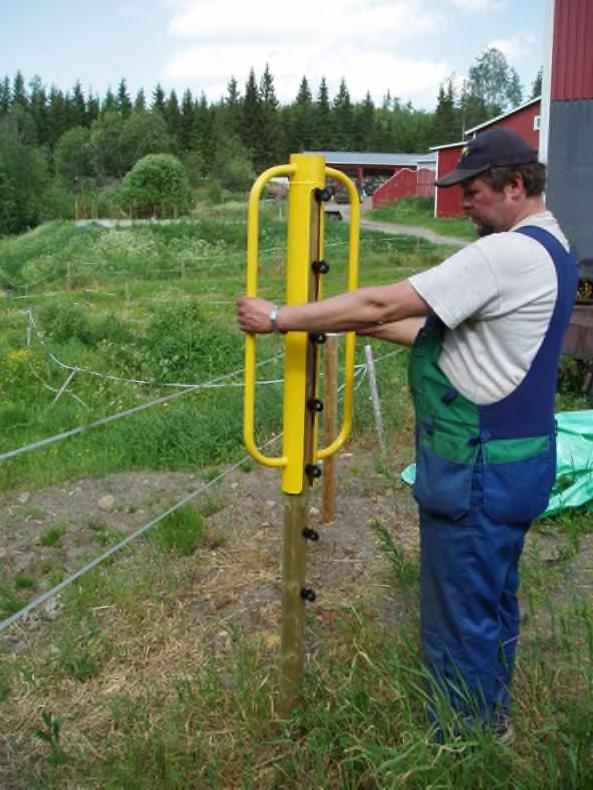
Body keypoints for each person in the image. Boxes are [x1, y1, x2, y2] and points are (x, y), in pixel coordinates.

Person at [236, 128, 578, 738]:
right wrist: (339, 324)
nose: (461, 204)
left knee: (459, 617)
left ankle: (461, 744)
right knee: (493, 601)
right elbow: (445, 339)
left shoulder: (504, 255)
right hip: (518, 462)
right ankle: (491, 720)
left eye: (472, 192)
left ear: (516, 185)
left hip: (477, 469)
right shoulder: (552, 246)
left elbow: (381, 306)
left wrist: (279, 318)